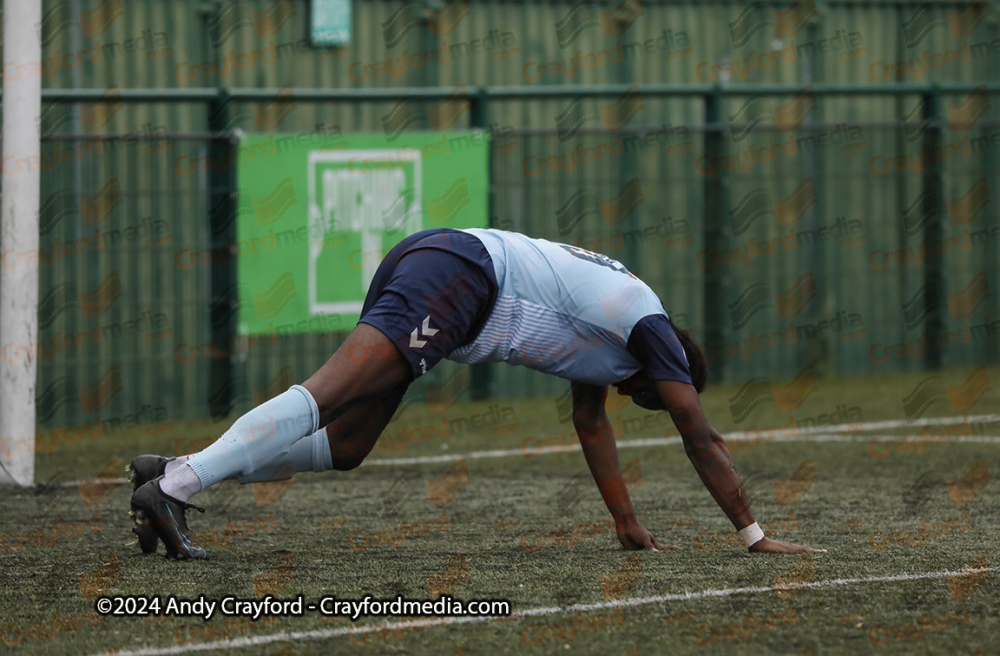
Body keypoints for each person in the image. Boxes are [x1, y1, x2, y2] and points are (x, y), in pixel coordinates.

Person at [129, 228, 825, 559]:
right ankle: (180, 485)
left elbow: (590, 425)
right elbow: (699, 433)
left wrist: (625, 522)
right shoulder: (648, 326)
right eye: (654, 393)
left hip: (448, 268)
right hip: (462, 276)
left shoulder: (613, 338)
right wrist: (753, 533)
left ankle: (170, 470)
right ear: (664, 368)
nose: (636, 400)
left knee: (346, 444)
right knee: (329, 389)